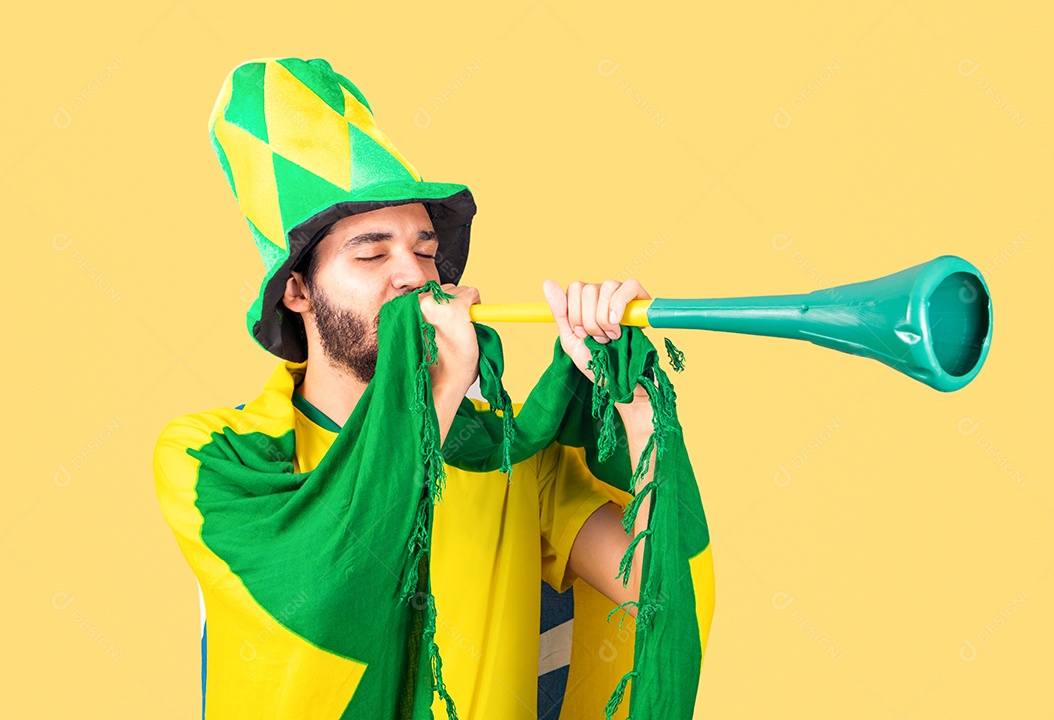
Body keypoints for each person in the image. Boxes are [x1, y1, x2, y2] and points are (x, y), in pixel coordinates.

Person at [151, 57, 710, 720]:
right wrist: (439, 391)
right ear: (297, 290)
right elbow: (329, 597)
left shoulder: (508, 456)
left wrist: (634, 408)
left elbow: (660, 592)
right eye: (371, 252)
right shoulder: (213, 457)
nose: (413, 276)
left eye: (423, 250)